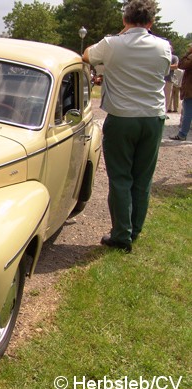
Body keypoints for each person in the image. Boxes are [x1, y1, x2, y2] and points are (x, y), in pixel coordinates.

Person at [82, 0, 171, 253]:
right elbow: (164, 72)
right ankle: (135, 228)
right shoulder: (163, 46)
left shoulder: (112, 44)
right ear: (151, 22)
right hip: (153, 116)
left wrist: (119, 36)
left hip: (122, 117)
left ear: (125, 20)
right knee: (143, 178)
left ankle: (122, 234)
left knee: (121, 177)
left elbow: (87, 54)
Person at [169, 44, 192, 141]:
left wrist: (188, 53)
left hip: (190, 89)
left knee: (188, 112)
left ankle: (182, 134)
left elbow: (181, 65)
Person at [164, 47, 179, 112]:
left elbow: (175, 66)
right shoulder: (163, 56)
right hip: (159, 79)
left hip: (168, 79)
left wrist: (164, 66)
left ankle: (165, 112)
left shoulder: (174, 57)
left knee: (167, 97)